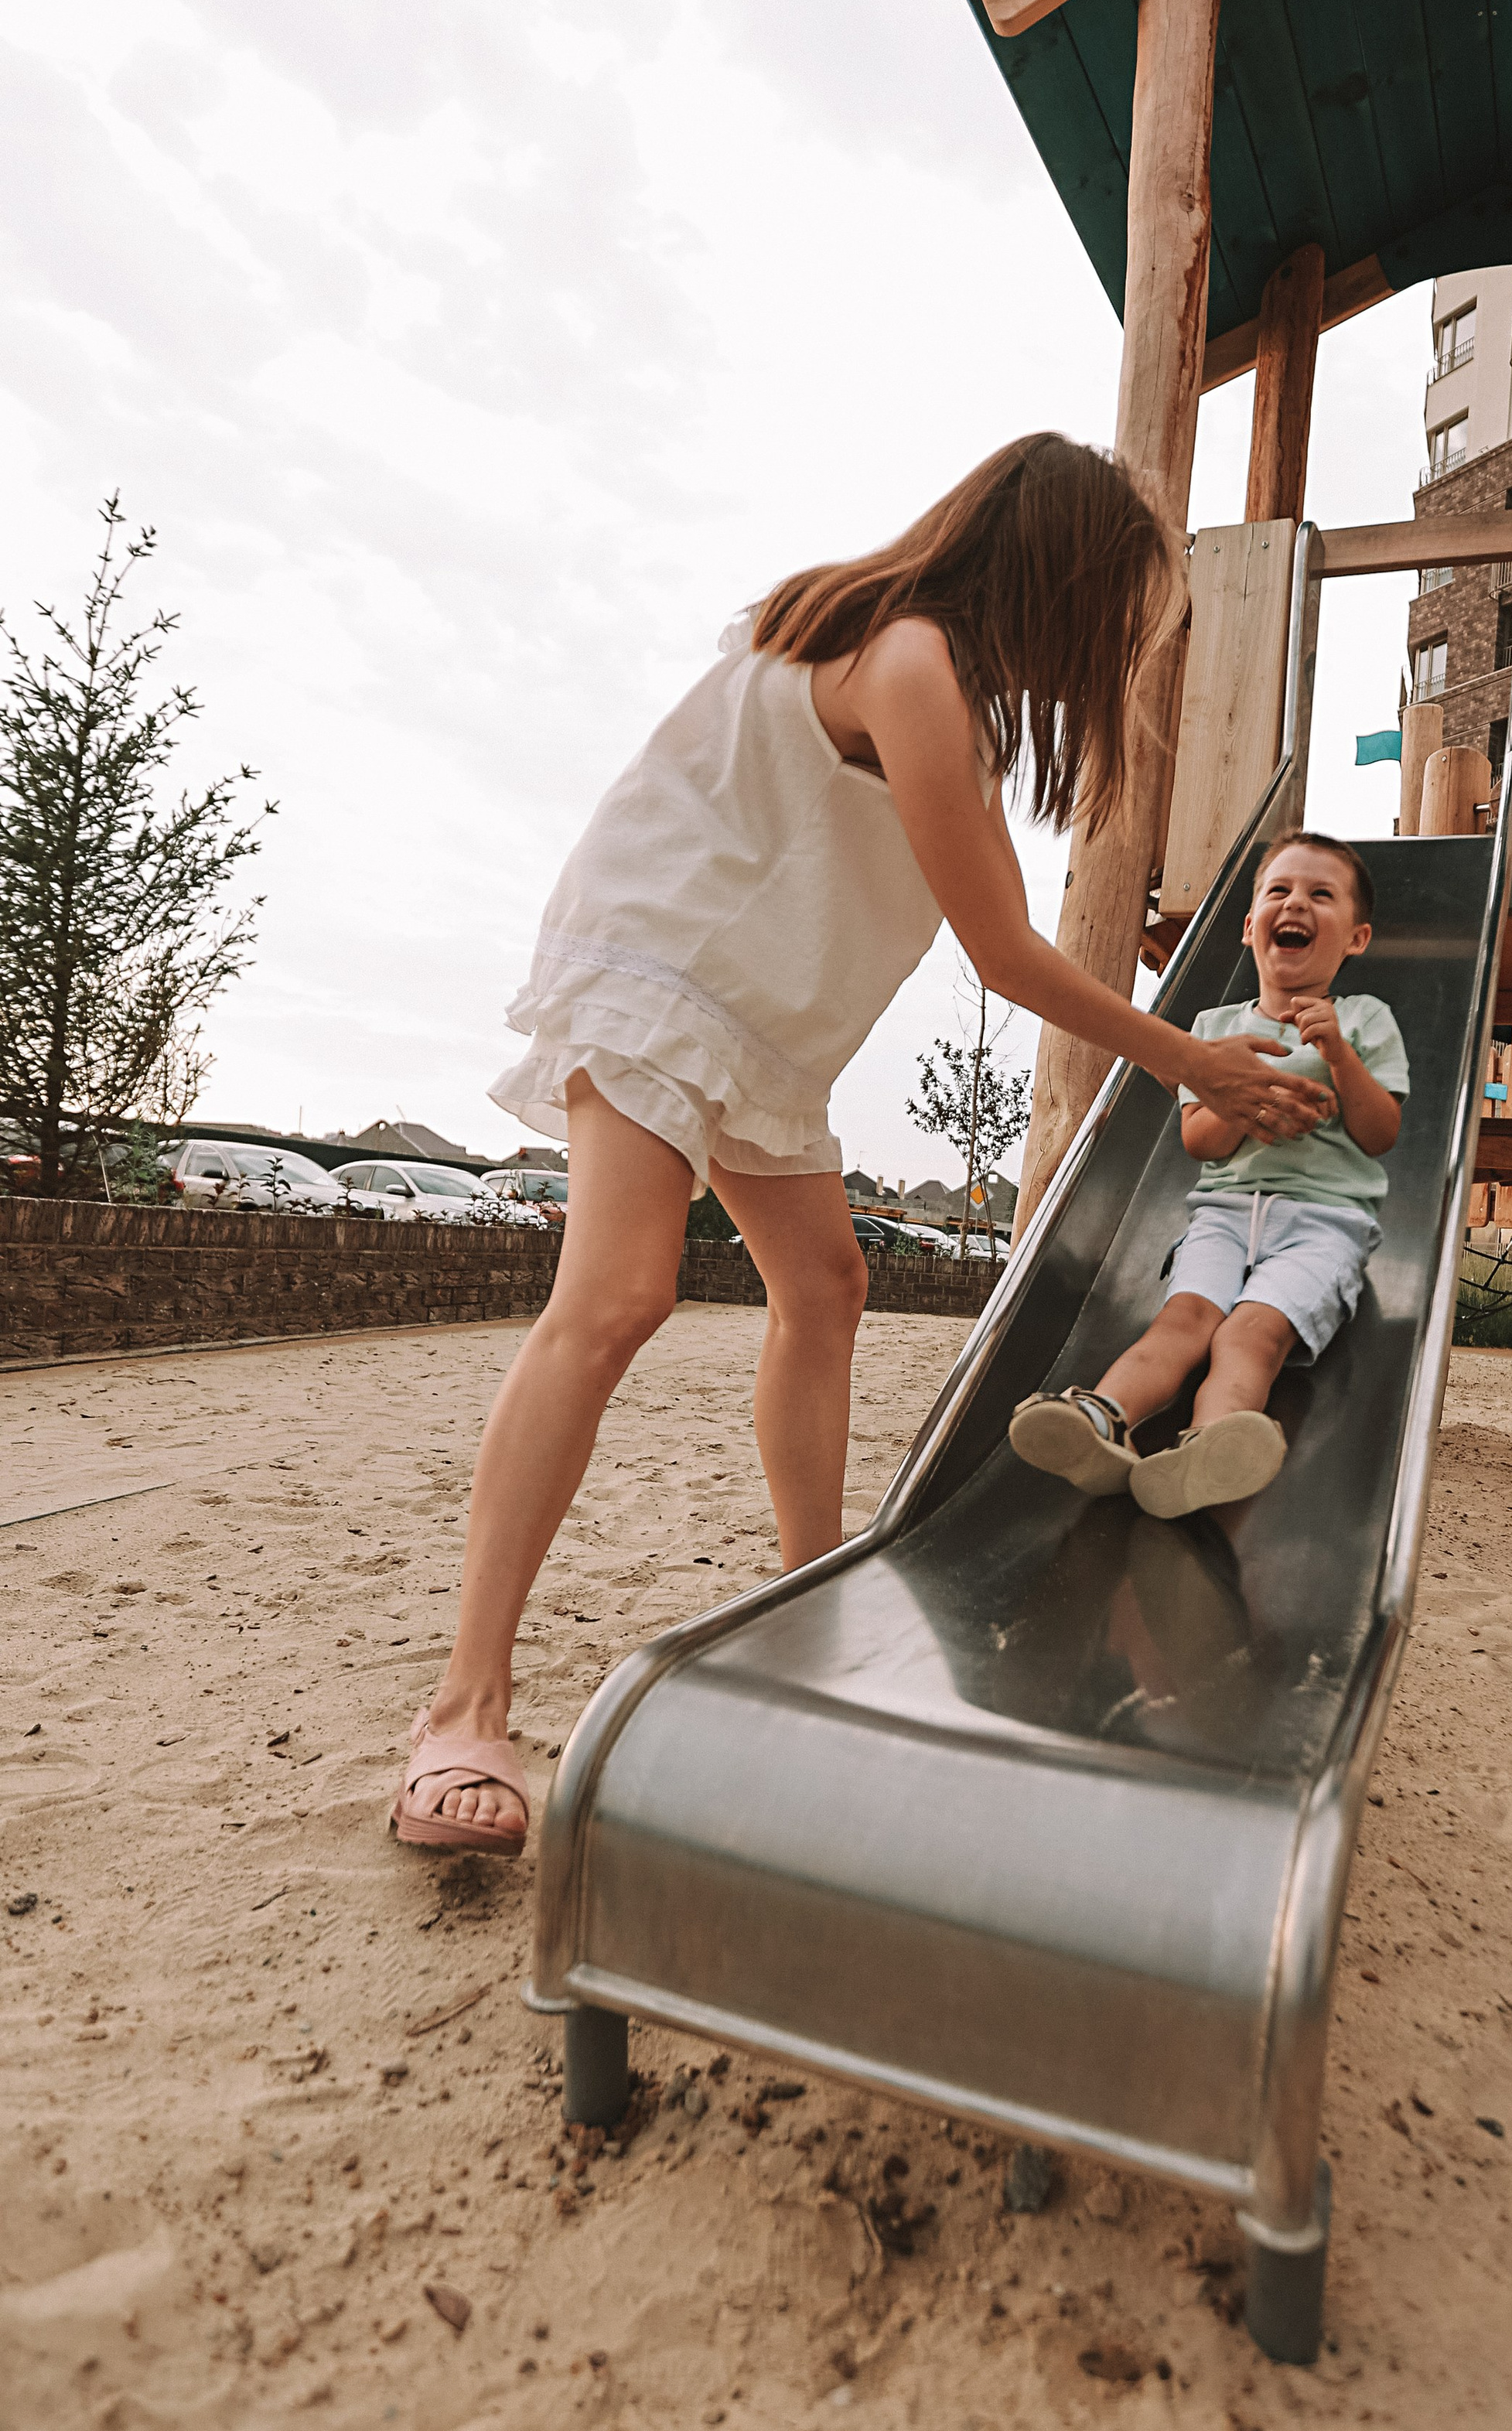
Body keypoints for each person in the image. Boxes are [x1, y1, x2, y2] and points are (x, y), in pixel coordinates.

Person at [390, 435, 1332, 1855]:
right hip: (665, 967)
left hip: (756, 1010)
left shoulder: (927, 681)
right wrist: (1188, 1054)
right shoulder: (908, 659)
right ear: (1062, 582)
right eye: (1124, 616)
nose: (1127, 650)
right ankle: (461, 1707)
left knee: (826, 1284)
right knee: (622, 1292)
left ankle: (807, 1590)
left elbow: (999, 911)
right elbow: (1006, 950)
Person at [1007, 831, 1407, 1519]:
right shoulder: (1210, 1031)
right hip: (1222, 1217)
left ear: (1357, 938)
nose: (1296, 904)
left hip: (1323, 1224)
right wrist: (1242, 1104)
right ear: (1252, 927)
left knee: (1248, 1333)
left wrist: (1339, 1056)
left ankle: (1212, 1446)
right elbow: (1201, 1141)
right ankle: (1101, 1421)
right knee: (1182, 1320)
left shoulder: (1365, 1020)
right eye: (1279, 891)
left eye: (1321, 894)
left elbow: (1381, 1134)